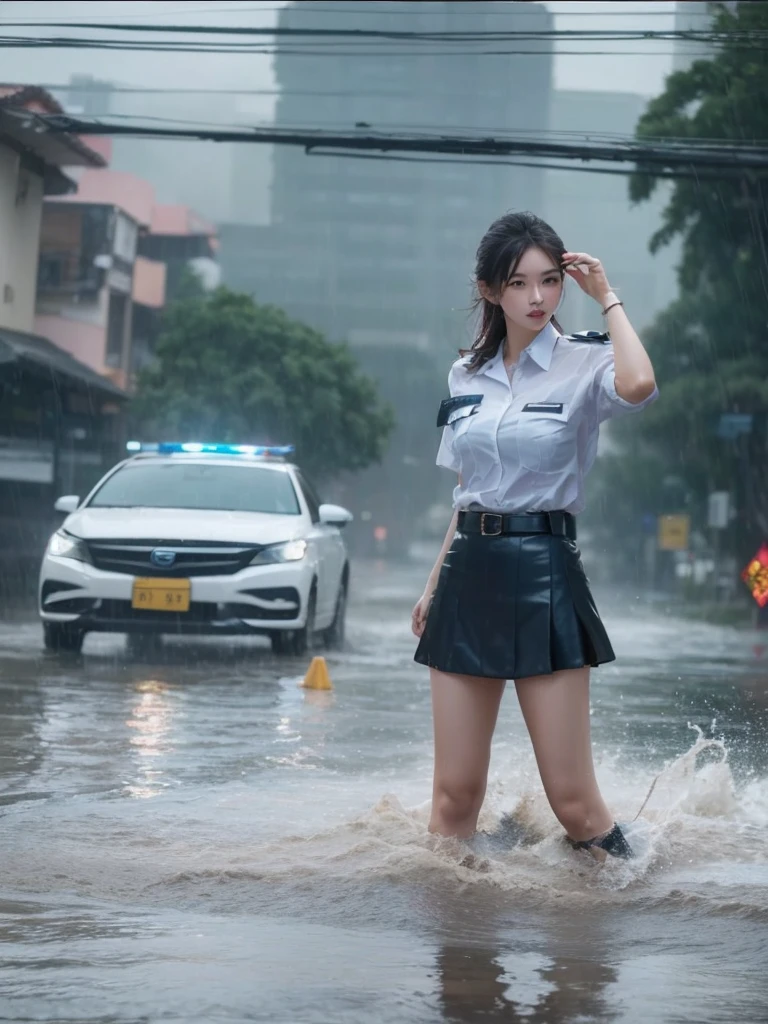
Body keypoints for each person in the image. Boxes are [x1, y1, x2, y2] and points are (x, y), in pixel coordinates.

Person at [412, 212, 658, 862]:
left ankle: (618, 922)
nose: (538, 297)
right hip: (469, 573)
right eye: (519, 283)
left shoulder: (586, 360)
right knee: (453, 798)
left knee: (574, 804)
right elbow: (467, 489)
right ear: (491, 289)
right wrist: (435, 581)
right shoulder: (465, 374)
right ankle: (458, 948)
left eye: (550, 281)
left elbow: (639, 385)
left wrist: (607, 296)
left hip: (545, 572)